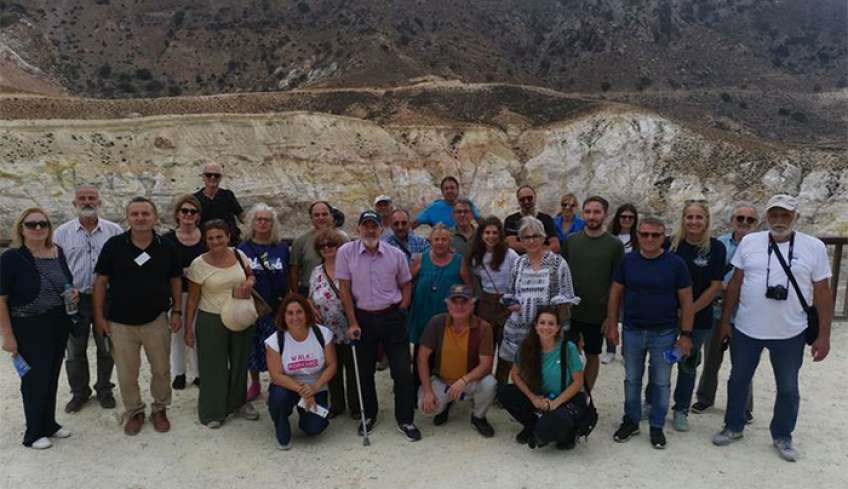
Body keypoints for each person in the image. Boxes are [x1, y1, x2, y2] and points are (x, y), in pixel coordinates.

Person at [712, 194, 833, 462]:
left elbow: (823, 292)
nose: (779, 220)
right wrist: (725, 322)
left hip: (790, 331)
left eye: (785, 215)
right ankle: (733, 426)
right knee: (738, 380)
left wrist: (824, 335)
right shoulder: (751, 242)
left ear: (795, 217)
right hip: (746, 328)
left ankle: (782, 435)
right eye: (774, 215)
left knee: (788, 387)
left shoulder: (813, 247)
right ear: (767, 217)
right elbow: (735, 283)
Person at [93, 197, 182, 436]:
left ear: (155, 217)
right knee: (126, 372)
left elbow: (175, 280)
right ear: (128, 218)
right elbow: (101, 282)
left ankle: (160, 408)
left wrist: (177, 311)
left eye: (145, 214)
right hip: (120, 322)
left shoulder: (166, 247)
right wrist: (99, 316)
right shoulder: (114, 246)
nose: (140, 218)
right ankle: (134, 411)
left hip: (156, 320)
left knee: (162, 369)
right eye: (135, 214)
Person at [605, 216, 694, 449]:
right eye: (644, 234)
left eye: (655, 235)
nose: (650, 239)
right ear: (638, 236)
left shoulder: (676, 264)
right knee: (631, 379)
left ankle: (656, 426)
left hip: (664, 333)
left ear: (663, 237)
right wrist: (613, 324)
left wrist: (686, 335)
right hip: (633, 330)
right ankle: (631, 420)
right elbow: (615, 294)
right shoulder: (628, 261)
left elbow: (686, 301)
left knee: (661, 382)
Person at [336, 210, 421, 441]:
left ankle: (405, 418)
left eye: (374, 226)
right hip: (362, 318)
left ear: (381, 230)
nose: (370, 230)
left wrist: (402, 308)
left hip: (392, 316)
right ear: (359, 229)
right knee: (363, 372)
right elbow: (344, 289)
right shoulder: (346, 252)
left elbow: (406, 284)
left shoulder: (395, 254)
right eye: (366, 226)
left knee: (402, 371)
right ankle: (369, 415)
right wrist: (352, 321)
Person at [1, 208, 77, 449]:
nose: (37, 228)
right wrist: (8, 336)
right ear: (21, 228)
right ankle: (33, 433)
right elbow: (1, 298)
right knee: (34, 378)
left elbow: (66, 281)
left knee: (52, 375)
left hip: (57, 322)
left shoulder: (57, 252)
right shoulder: (12, 258)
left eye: (42, 224)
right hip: (28, 326)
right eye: (31, 224)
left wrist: (72, 292)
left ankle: (49, 424)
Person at [53, 184, 122, 412]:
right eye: (82, 198)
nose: (87, 201)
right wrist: (65, 288)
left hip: (106, 299)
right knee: (75, 351)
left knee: (106, 347)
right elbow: (55, 267)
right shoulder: (61, 233)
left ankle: (104, 389)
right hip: (75, 298)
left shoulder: (114, 231)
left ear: (99, 202)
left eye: (92, 197)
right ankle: (79, 393)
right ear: (74, 204)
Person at [184, 220, 259, 428]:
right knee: (212, 366)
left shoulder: (238, 254)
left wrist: (249, 282)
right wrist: (189, 329)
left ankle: (239, 403)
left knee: (239, 362)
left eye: (220, 237)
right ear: (205, 240)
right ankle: (213, 411)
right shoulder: (198, 264)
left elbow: (251, 274)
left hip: (240, 314)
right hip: (211, 318)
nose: (216, 241)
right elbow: (192, 299)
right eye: (211, 238)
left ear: (227, 236)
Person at [692, 203, 759, 419]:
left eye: (750, 220)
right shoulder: (720, 244)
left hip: (746, 313)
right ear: (733, 220)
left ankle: (744, 407)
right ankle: (704, 398)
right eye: (741, 219)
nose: (745, 224)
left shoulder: (762, 246)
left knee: (743, 363)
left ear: (756, 223)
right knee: (711, 358)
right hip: (717, 310)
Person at [665, 200, 726, 432]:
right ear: (683, 219)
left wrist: (689, 311)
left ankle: (681, 409)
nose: (693, 222)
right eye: (689, 217)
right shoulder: (672, 244)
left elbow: (715, 285)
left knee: (688, 363)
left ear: (707, 220)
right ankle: (654, 402)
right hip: (668, 315)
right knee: (663, 361)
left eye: (698, 217)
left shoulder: (716, 248)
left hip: (699, 318)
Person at [497, 307, 587, 450]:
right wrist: (533, 398)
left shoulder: (568, 348)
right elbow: (514, 374)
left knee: (553, 424)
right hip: (540, 397)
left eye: (551, 324)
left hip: (564, 400)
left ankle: (564, 433)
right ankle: (532, 425)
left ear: (558, 327)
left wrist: (556, 403)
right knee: (503, 392)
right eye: (542, 323)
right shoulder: (527, 346)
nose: (546, 327)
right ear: (536, 326)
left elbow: (578, 382)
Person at [499, 216, 579, 374]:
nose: (531, 241)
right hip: (520, 331)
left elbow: (567, 299)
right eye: (526, 237)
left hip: (547, 331)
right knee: (520, 372)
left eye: (535, 236)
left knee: (545, 372)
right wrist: (512, 304)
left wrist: (560, 331)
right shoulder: (518, 263)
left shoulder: (557, 263)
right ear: (521, 240)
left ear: (543, 237)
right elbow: (510, 293)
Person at [561, 196, 624, 390]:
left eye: (597, 212)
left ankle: (584, 396)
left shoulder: (614, 245)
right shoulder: (571, 241)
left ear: (605, 214)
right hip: (571, 313)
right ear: (582, 213)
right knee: (565, 354)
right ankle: (564, 394)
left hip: (597, 314)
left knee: (592, 354)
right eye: (588, 212)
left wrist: (611, 317)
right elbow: (562, 276)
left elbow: (619, 283)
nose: (592, 216)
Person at [417, 285, 497, 438]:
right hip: (442, 381)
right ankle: (447, 403)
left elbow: (486, 365)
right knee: (425, 408)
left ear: (473, 304)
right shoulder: (436, 322)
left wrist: (464, 380)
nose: (459, 306)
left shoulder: (483, 327)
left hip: (468, 382)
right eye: (454, 301)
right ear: (447, 303)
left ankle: (478, 417)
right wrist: (427, 391)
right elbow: (422, 358)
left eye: (464, 302)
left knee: (490, 384)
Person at [265, 294, 337, 450]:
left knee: (314, 427)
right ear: (283, 316)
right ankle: (280, 422)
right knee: (279, 397)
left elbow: (332, 365)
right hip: (288, 387)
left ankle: (307, 413)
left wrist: (315, 388)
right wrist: (303, 391)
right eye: (289, 313)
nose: (295, 317)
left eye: (299, 312)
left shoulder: (322, 334)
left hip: (316, 386)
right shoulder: (275, 341)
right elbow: (276, 375)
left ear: (307, 314)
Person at [238, 204, 290, 402]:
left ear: (272, 224)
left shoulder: (282, 248)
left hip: (275, 307)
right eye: (258, 219)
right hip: (251, 307)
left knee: (275, 347)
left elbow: (287, 276)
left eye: (266, 219)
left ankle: (275, 382)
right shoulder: (243, 249)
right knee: (251, 346)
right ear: (252, 222)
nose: (262, 223)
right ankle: (255, 382)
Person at [308, 228, 359, 419]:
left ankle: (355, 406)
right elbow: (310, 296)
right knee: (332, 368)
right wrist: (310, 306)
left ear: (340, 247)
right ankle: (337, 404)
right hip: (326, 330)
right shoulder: (316, 272)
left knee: (353, 368)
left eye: (332, 244)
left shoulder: (350, 268)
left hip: (348, 326)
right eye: (323, 246)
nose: (327, 248)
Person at [463, 216, 519, 384]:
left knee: (505, 347)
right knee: (485, 347)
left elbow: (518, 278)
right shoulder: (476, 257)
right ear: (481, 234)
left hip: (506, 305)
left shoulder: (511, 255)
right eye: (487, 232)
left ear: (500, 234)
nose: (491, 236)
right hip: (486, 304)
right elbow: (476, 278)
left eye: (495, 232)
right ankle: (482, 383)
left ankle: (500, 386)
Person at [162, 194, 206, 390]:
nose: (188, 214)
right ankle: (179, 373)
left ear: (198, 216)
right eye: (184, 211)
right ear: (178, 214)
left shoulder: (206, 237)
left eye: (193, 211)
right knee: (177, 334)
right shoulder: (167, 240)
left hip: (203, 294)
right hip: (177, 295)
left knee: (198, 333)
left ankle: (198, 373)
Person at [408, 224, 466, 346]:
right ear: (430, 241)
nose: (440, 243)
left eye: (444, 239)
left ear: (450, 241)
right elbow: (407, 283)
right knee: (422, 357)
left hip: (449, 317)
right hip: (423, 316)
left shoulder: (460, 261)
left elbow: (469, 288)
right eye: (437, 239)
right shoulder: (420, 259)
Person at [602, 203, 639, 364]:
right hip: (612, 280)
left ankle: (626, 352)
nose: (627, 220)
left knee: (628, 319)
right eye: (624, 216)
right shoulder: (609, 237)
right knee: (611, 316)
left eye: (631, 217)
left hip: (632, 283)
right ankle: (610, 350)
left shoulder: (639, 238)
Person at [290, 201, 349, 295]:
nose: (321, 218)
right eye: (316, 215)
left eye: (325, 214)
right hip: (308, 290)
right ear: (311, 218)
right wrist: (296, 295)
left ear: (331, 216)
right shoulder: (300, 241)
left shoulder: (343, 239)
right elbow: (294, 271)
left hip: (338, 290)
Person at [193, 163, 244, 245]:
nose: (213, 178)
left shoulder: (228, 195)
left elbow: (241, 215)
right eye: (209, 175)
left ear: (221, 178)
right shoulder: (195, 199)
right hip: (205, 244)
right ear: (203, 177)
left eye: (216, 175)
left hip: (230, 242)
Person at [504, 185, 560, 254]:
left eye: (529, 198)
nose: (526, 201)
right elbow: (511, 244)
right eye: (522, 199)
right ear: (518, 201)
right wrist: (542, 248)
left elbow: (555, 246)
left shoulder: (546, 219)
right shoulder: (511, 220)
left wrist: (527, 247)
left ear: (535, 197)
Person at [413, 176, 481, 229]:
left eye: (452, 188)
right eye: (446, 188)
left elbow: (482, 222)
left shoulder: (466, 205)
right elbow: (414, 224)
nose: (449, 191)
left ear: (457, 189)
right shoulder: (433, 207)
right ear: (442, 191)